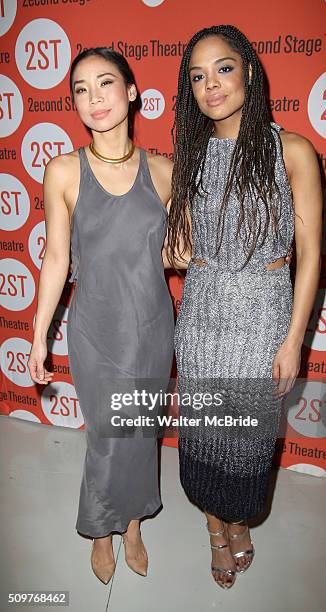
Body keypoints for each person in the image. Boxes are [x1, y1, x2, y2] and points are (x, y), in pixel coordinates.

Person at [167, 25, 322, 589]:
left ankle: (238, 519)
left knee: (249, 441)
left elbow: (310, 258)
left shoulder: (292, 150)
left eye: (224, 68)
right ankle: (216, 529)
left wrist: (293, 339)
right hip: (204, 314)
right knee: (206, 434)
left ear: (250, 72)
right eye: (198, 76)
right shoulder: (189, 153)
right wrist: (175, 248)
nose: (212, 85)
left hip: (263, 314)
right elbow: (180, 246)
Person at [28, 47, 175, 585]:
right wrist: (39, 333)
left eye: (105, 83)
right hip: (94, 328)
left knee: (140, 432)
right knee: (106, 434)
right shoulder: (63, 170)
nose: (94, 98)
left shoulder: (163, 170)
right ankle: (100, 527)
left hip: (154, 327)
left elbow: (172, 254)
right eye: (81, 90)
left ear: (132, 92)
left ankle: (132, 524)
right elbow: (56, 258)